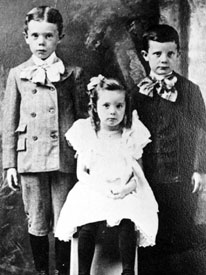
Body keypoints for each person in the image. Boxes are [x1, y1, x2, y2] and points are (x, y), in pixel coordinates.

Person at [2, 6, 88, 275]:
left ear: (59, 37)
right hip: (30, 158)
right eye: (36, 36)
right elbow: (8, 122)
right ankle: (41, 271)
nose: (42, 42)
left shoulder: (72, 73)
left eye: (49, 36)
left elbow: (83, 121)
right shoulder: (17, 74)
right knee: (37, 220)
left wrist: (86, 158)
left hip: (64, 157)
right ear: (26, 36)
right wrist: (9, 164)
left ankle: (63, 272)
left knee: (64, 221)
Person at [55, 75, 159, 275]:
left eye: (119, 106)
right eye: (106, 105)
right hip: (94, 187)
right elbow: (81, 173)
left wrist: (124, 190)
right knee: (88, 221)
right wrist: (101, 189)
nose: (113, 111)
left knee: (128, 218)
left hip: (123, 189)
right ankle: (83, 272)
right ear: (95, 106)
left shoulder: (131, 134)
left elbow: (138, 175)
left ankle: (127, 270)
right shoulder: (87, 132)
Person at [131, 24, 206, 274]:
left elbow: (202, 131)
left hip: (183, 175)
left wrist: (199, 169)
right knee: (153, 232)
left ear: (178, 55)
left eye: (170, 54)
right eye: (157, 54)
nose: (163, 60)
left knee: (182, 231)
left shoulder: (190, 91)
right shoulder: (138, 95)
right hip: (150, 177)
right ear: (146, 56)